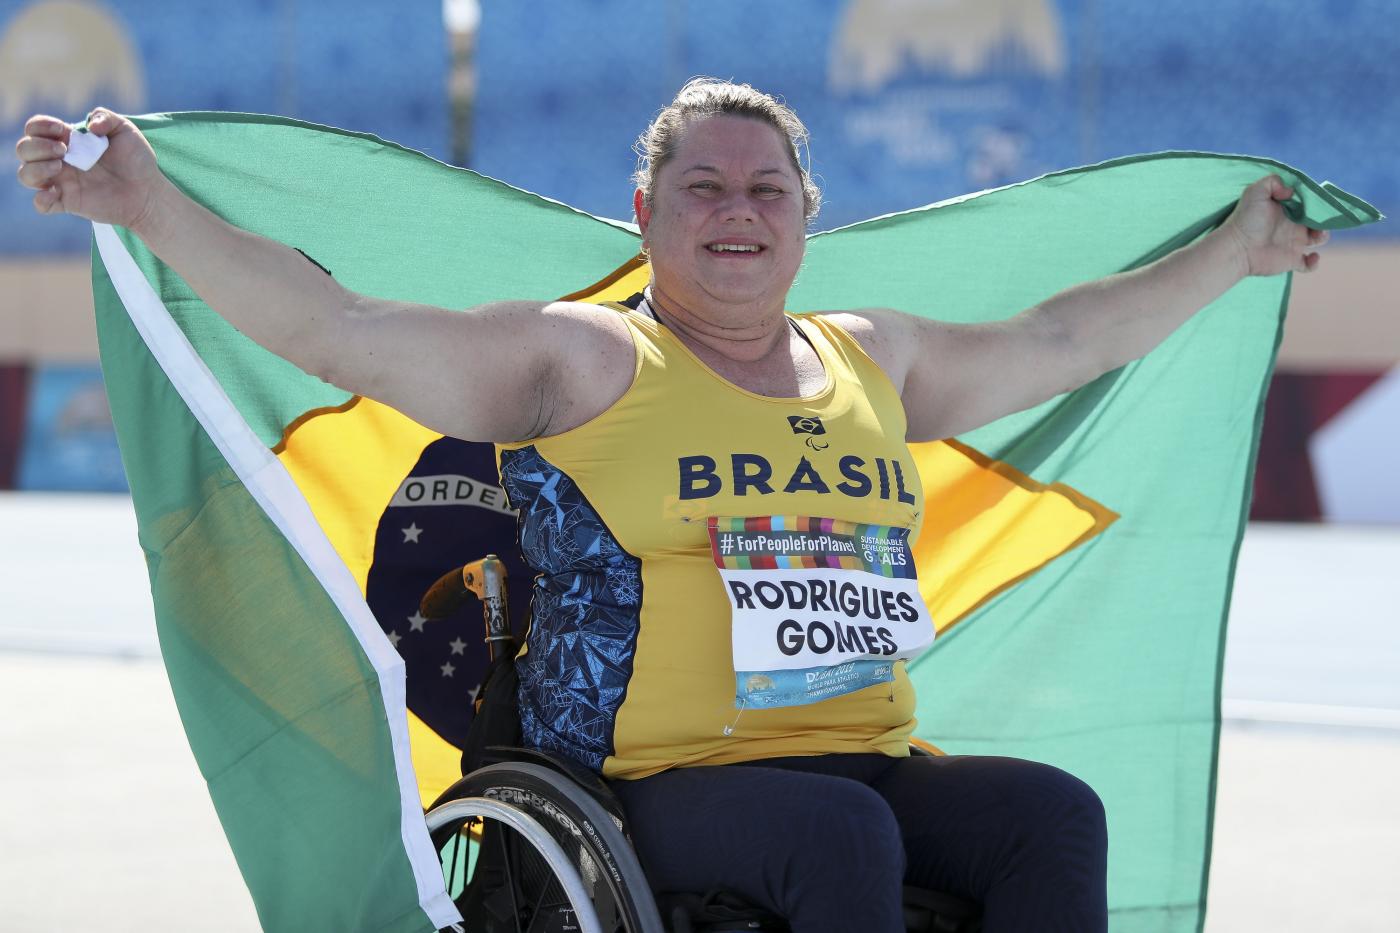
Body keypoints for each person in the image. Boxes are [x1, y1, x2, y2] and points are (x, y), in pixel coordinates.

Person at [16, 79, 1326, 932]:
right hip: (652, 779)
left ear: (809, 216)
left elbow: (1060, 337)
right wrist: (150, 205)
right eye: (703, 187)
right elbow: (344, 328)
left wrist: (1233, 253)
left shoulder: (876, 359)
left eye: (766, 189)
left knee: (1050, 813)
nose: (737, 212)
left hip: (856, 753)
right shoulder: (585, 359)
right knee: (840, 836)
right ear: (648, 213)